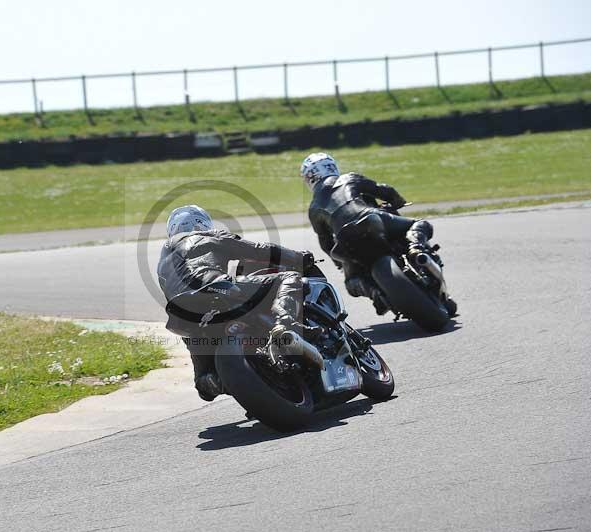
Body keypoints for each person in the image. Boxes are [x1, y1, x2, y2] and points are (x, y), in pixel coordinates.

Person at [157, 204, 320, 401]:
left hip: (184, 316)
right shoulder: (211, 235)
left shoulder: (162, 263)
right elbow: (260, 251)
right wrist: (300, 257)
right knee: (289, 277)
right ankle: (285, 323)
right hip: (216, 289)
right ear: (201, 223)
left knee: (203, 380)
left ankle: (211, 378)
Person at [301, 152, 435, 314]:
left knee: (352, 281)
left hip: (344, 241)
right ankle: (415, 247)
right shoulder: (348, 178)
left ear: (309, 178)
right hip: (371, 220)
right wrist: (397, 202)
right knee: (420, 223)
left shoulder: (314, 208)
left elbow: (326, 243)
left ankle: (375, 293)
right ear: (332, 167)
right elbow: (384, 190)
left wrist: (340, 263)